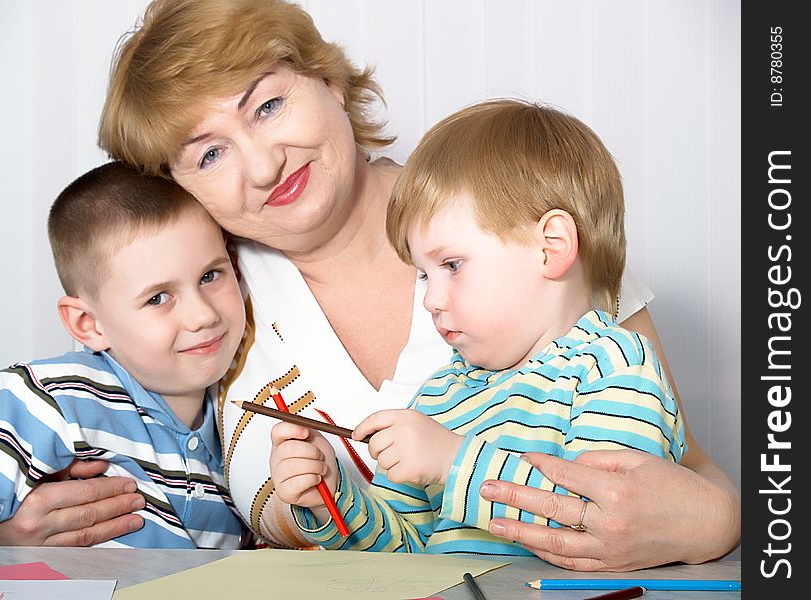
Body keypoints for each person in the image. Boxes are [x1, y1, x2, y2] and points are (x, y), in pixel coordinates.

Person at [0, 0, 739, 570]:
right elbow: (138, 469)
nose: (263, 165)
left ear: (327, 78)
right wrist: (18, 537)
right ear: (179, 189)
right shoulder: (203, 299)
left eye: (269, 105)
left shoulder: (509, 222)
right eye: (209, 153)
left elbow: (688, 472)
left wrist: (712, 523)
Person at [268, 98, 685, 555]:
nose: (429, 298)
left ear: (551, 248)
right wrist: (335, 502)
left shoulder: (613, 366)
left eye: (452, 264)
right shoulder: (437, 397)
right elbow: (403, 556)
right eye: (424, 274)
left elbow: (602, 524)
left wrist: (451, 462)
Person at [0, 161, 247, 549]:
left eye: (210, 276)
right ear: (89, 324)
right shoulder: (51, 403)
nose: (203, 314)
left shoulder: (242, 417)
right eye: (158, 298)